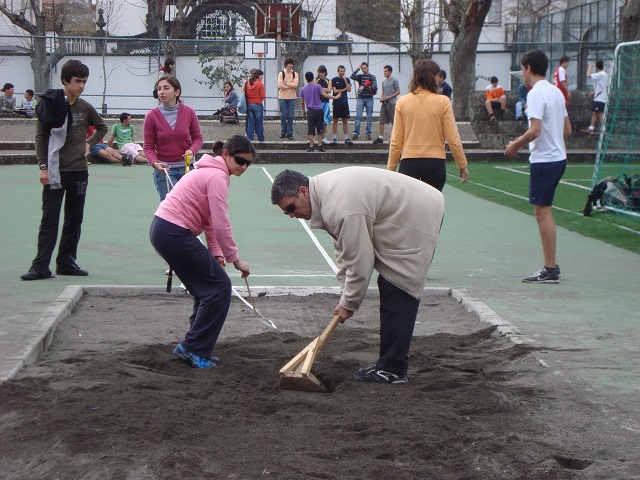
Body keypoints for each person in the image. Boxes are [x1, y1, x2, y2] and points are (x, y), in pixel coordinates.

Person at [271, 167, 444, 383]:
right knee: (391, 284)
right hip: (407, 208)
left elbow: (361, 259)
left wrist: (349, 303)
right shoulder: (325, 196)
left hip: (417, 212)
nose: (292, 215)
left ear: (303, 191)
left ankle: (392, 369)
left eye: (291, 207)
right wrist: (346, 294)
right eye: (286, 212)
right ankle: (390, 363)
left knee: (398, 284)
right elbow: (344, 251)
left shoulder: (339, 206)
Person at [150, 135, 253, 369]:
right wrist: (235, 260)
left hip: (165, 230)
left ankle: (191, 346)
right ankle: (194, 348)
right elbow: (220, 222)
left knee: (206, 288)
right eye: (240, 160)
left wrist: (217, 254)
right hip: (173, 232)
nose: (244, 166)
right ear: (225, 154)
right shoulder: (217, 176)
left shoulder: (211, 172)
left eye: (249, 163)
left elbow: (207, 220)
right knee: (219, 287)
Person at [21, 60, 108, 281]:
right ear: (64, 81)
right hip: (54, 172)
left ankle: (66, 262)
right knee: (49, 219)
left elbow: (102, 127)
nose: (81, 86)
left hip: (79, 172)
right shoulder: (49, 104)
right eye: (77, 81)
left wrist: (90, 144)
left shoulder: (85, 107)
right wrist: (43, 167)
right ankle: (40, 266)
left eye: (84, 82)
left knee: (74, 218)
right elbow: (41, 137)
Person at [505, 49, 572, 284]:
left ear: (528, 69)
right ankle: (551, 266)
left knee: (542, 212)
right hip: (558, 158)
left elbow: (534, 131)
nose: (522, 74)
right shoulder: (556, 92)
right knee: (543, 211)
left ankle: (550, 268)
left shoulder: (535, 94)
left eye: (523, 69)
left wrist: (515, 144)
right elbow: (567, 130)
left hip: (545, 160)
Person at [388, 59, 469, 192]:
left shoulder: (402, 102)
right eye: (437, 75)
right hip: (435, 162)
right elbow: (453, 138)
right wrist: (462, 164)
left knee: (408, 210)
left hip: (409, 162)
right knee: (434, 210)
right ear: (432, 77)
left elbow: (396, 140)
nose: (439, 79)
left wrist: (391, 167)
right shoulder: (443, 102)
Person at [144, 75, 203, 201]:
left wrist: (192, 151)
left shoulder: (189, 112)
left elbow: (198, 139)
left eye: (166, 88)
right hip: (165, 171)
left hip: (187, 168)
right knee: (171, 209)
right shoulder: (151, 116)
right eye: (159, 89)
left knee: (189, 206)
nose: (161, 92)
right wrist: (155, 163)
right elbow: (148, 147)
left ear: (177, 92)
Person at [299, 71, 342, 152]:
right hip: (319, 109)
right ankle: (319, 145)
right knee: (320, 128)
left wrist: (303, 111)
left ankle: (311, 146)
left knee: (310, 129)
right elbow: (325, 95)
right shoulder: (317, 86)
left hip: (310, 110)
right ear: (313, 78)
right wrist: (335, 97)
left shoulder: (303, 89)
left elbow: (302, 101)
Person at [350, 62, 377, 140]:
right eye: (362, 68)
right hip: (361, 97)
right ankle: (356, 133)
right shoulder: (360, 76)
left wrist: (364, 88)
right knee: (358, 116)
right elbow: (352, 76)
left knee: (369, 116)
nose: (363, 69)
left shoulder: (372, 77)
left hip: (369, 98)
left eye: (365, 68)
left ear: (368, 68)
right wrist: (358, 68)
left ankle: (368, 133)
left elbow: (374, 87)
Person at [373, 65, 400, 144]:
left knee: (393, 121)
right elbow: (383, 92)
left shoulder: (394, 80)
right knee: (381, 120)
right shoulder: (383, 82)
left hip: (392, 103)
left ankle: (394, 138)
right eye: (384, 71)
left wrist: (389, 97)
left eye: (386, 71)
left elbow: (398, 91)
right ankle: (380, 137)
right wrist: (382, 98)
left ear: (390, 72)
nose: (384, 73)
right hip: (384, 104)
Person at [329, 65, 353, 145]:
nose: (342, 73)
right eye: (341, 71)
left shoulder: (347, 79)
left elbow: (349, 89)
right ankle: (334, 138)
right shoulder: (334, 80)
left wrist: (346, 81)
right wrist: (344, 89)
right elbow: (335, 91)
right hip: (337, 103)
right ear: (338, 71)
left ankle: (346, 138)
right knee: (335, 120)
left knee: (345, 121)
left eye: (343, 71)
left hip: (344, 103)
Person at [585, 60, 608, 133]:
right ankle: (593, 127)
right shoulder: (603, 74)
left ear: (597, 67)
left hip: (600, 98)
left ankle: (599, 128)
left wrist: (589, 67)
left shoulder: (601, 74)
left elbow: (588, 75)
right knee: (596, 112)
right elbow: (601, 86)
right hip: (599, 97)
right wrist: (593, 92)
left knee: (597, 112)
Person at [277, 58, 298, 140]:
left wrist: (286, 83)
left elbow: (295, 85)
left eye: (292, 64)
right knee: (283, 115)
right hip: (282, 97)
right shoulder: (281, 74)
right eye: (289, 64)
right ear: (286, 64)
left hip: (292, 97)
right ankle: (283, 131)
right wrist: (290, 85)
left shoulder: (295, 74)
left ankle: (290, 132)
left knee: (290, 116)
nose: (291, 66)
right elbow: (280, 85)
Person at [242, 69, 266, 142]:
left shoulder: (248, 82)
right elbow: (263, 96)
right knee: (259, 122)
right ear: (259, 76)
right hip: (258, 104)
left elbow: (243, 91)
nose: (262, 77)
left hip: (249, 104)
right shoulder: (260, 84)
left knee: (250, 122)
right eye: (262, 75)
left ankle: (250, 138)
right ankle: (260, 138)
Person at [316, 65, 333, 145]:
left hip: (325, 102)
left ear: (325, 73)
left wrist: (320, 88)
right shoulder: (316, 80)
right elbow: (314, 88)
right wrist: (322, 89)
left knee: (325, 121)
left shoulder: (328, 80)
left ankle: (323, 137)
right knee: (316, 121)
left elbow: (329, 90)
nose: (321, 74)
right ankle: (315, 137)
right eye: (320, 72)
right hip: (317, 103)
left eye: (322, 72)